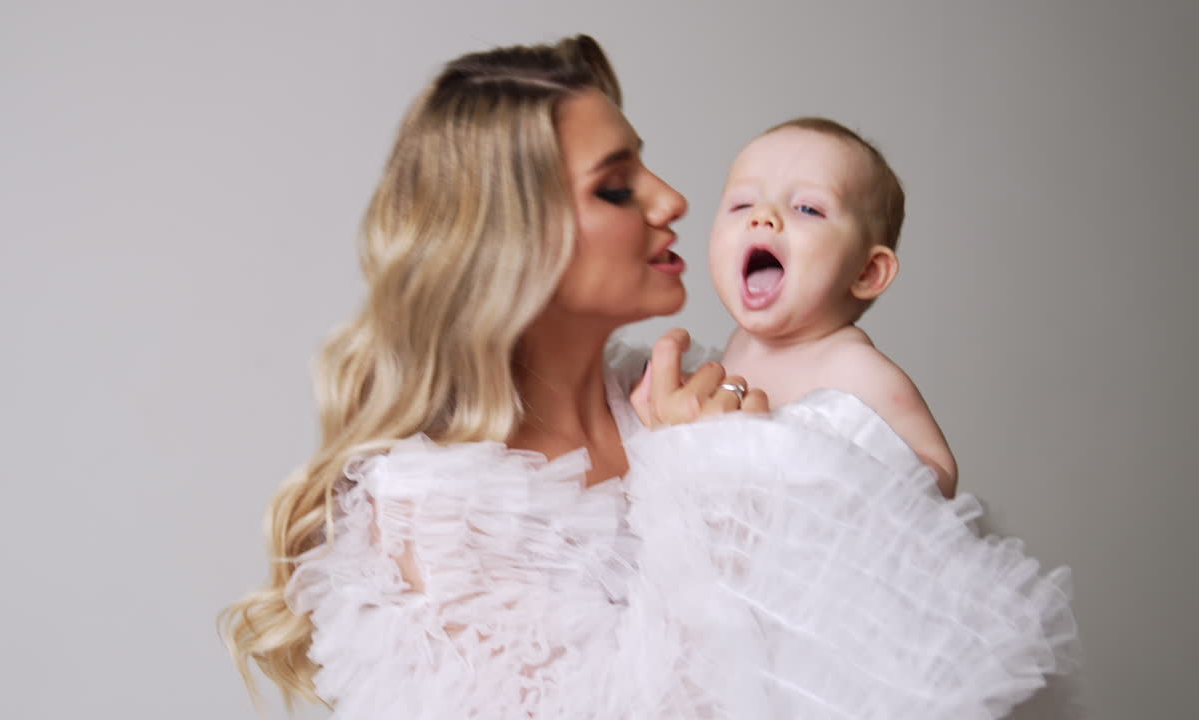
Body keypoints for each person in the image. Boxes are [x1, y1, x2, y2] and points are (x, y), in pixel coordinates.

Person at [221, 35, 1077, 719]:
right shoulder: (437, 510)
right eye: (618, 186)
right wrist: (701, 479)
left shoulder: (684, 395)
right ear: (519, 238)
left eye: (648, 167)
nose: (672, 199)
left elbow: (880, 629)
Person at [710, 118, 959, 497]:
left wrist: (840, 474)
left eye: (807, 208)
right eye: (742, 203)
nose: (761, 216)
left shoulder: (856, 369)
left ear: (867, 271)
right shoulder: (739, 346)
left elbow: (940, 472)